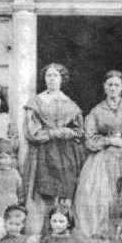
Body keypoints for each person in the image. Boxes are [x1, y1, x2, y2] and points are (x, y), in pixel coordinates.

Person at [22, 64, 86, 233]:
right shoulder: (36, 102)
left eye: (55, 76)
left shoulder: (69, 103)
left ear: (62, 79)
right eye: (48, 76)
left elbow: (79, 131)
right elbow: (32, 132)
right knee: (41, 194)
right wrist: (57, 132)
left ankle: (62, 233)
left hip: (66, 153)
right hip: (43, 152)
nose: (52, 79)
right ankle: (39, 234)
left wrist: (68, 133)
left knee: (64, 195)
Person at [74, 70, 122, 239]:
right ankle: (101, 237)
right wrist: (109, 141)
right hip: (103, 158)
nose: (113, 88)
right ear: (104, 87)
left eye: (117, 85)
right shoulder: (96, 111)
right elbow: (89, 139)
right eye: (109, 85)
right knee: (98, 197)